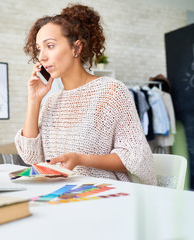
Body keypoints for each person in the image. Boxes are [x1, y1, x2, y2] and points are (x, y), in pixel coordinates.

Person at [14, 4, 157, 185]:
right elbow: (30, 156)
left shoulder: (111, 92)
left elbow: (136, 158)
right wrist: (34, 99)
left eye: (50, 46)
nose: (41, 57)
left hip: (104, 195)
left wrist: (81, 159)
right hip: (60, 195)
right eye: (38, 49)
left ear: (77, 47)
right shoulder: (50, 100)